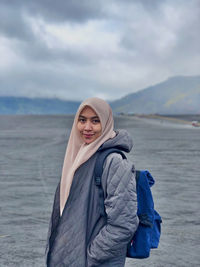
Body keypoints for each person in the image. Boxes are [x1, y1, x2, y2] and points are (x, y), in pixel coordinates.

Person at [45, 97, 139, 267]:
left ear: (106, 123)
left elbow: (124, 224)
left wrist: (91, 256)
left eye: (95, 121)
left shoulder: (113, 162)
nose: (87, 127)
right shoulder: (78, 157)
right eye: (82, 120)